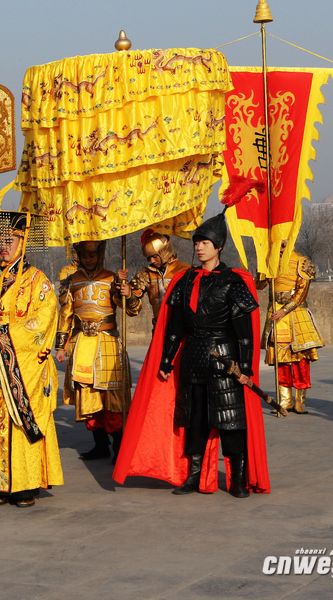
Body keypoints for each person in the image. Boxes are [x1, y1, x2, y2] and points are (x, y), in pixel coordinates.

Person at [113, 210, 270, 498]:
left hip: (225, 358)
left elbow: (245, 330)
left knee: (230, 421)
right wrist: (166, 360)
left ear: (218, 246)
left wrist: (245, 366)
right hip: (193, 357)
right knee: (194, 421)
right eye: (197, 242)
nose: (199, 247)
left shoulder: (232, 281)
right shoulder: (184, 280)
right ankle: (193, 476)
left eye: (205, 243)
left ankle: (236, 478)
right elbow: (174, 327)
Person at [0, 210, 64, 507]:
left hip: (22, 365)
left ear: (23, 242)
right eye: (0, 240)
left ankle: (24, 484)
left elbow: (43, 321)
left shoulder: (37, 281)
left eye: (9, 240)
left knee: (21, 419)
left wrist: (3, 334)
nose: (3, 245)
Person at [54, 240, 130, 464]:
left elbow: (131, 309)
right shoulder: (72, 281)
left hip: (107, 342)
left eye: (92, 255)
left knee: (112, 395)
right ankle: (100, 445)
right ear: (78, 256)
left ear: (99, 254)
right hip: (81, 343)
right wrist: (60, 346)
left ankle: (119, 446)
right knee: (88, 395)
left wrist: (126, 291)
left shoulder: (112, 277)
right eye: (84, 256)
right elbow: (65, 315)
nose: (88, 259)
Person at [256, 240, 324, 414]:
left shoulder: (302, 262)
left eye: (283, 243)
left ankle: (300, 401)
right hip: (276, 315)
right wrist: (263, 267)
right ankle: (285, 401)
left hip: (295, 314)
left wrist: (285, 310)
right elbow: (260, 285)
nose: (280, 247)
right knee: (281, 361)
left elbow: (302, 292)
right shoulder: (271, 262)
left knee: (301, 360)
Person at [125, 230, 190, 334]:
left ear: (164, 251)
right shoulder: (145, 274)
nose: (152, 261)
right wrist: (128, 295)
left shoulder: (185, 271)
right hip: (158, 330)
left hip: (182, 329)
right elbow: (133, 309)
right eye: (149, 258)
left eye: (154, 257)